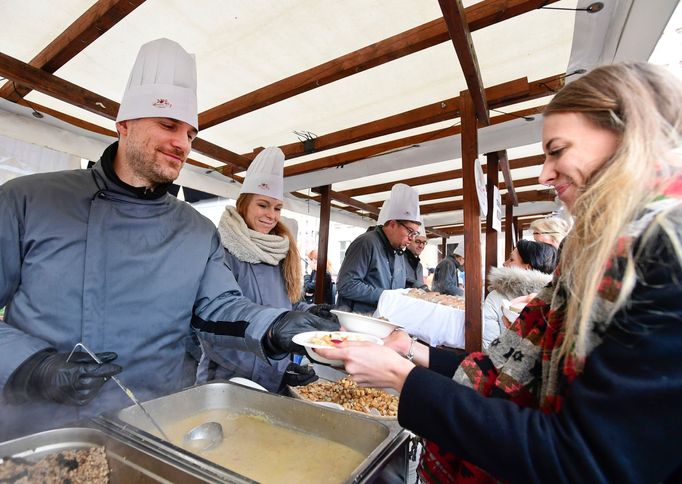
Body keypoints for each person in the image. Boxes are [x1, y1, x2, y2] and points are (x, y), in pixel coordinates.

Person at [317, 63, 682, 482]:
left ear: (628, 136)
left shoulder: (661, 257)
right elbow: (510, 372)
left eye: (557, 150)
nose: (544, 173)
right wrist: (411, 352)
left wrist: (404, 376)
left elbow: (585, 460)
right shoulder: (596, 254)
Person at [0, 39, 337, 441]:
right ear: (124, 125)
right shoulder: (29, 200)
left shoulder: (196, 230)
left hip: (151, 426)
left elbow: (220, 307)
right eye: (168, 125)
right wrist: (30, 364)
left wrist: (275, 325)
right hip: (40, 430)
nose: (183, 144)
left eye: (191, 133)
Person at [195, 147, 327, 392]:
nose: (271, 215)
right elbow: (211, 326)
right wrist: (274, 365)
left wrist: (310, 311)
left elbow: (288, 305)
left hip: (272, 379)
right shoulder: (221, 250)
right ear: (244, 204)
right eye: (263, 205)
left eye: (277, 208)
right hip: (227, 382)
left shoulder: (281, 251)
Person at [336, 184, 420, 313]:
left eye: (414, 234)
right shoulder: (366, 243)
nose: (411, 238)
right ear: (392, 224)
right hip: (358, 319)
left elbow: (399, 282)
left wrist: (418, 288)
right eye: (410, 231)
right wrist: (385, 296)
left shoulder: (398, 252)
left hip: (383, 317)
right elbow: (347, 285)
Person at [482, 240, 557, 349]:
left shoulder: (495, 297)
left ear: (527, 267)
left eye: (511, 259)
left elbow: (488, 347)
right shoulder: (557, 296)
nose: (504, 263)